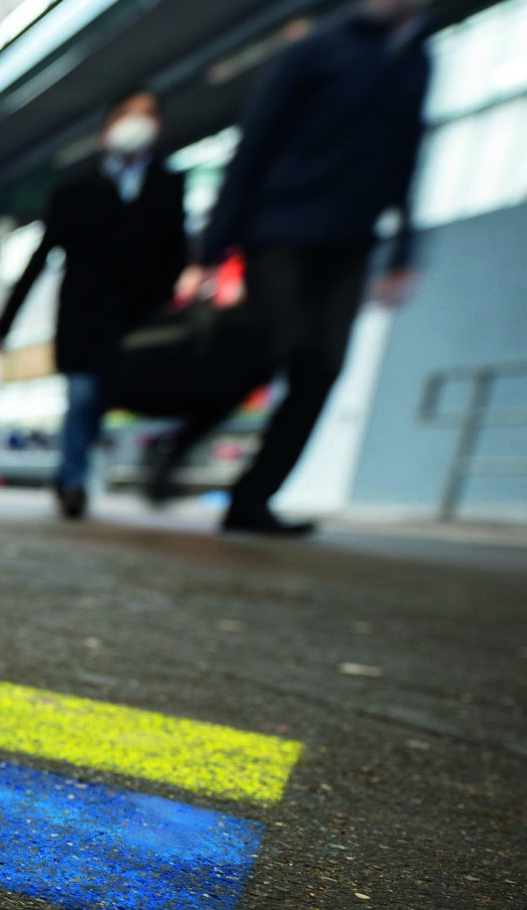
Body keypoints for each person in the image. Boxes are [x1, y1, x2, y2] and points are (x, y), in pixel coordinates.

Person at [149, 0, 433, 536]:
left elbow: (407, 158)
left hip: (350, 242)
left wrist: (403, 250)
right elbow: (253, 146)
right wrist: (211, 249)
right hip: (279, 232)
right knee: (278, 347)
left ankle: (252, 499)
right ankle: (182, 439)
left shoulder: (417, 61)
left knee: (322, 368)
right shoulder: (316, 49)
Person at [0, 90, 187, 521]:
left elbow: (175, 253)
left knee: (107, 398)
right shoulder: (74, 191)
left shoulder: (168, 185)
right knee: (81, 395)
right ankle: (72, 480)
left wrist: (169, 304)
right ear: (106, 129)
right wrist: (5, 321)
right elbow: (39, 258)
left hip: (140, 319)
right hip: (84, 317)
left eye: (148, 115)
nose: (139, 122)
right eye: (128, 114)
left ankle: (81, 469)